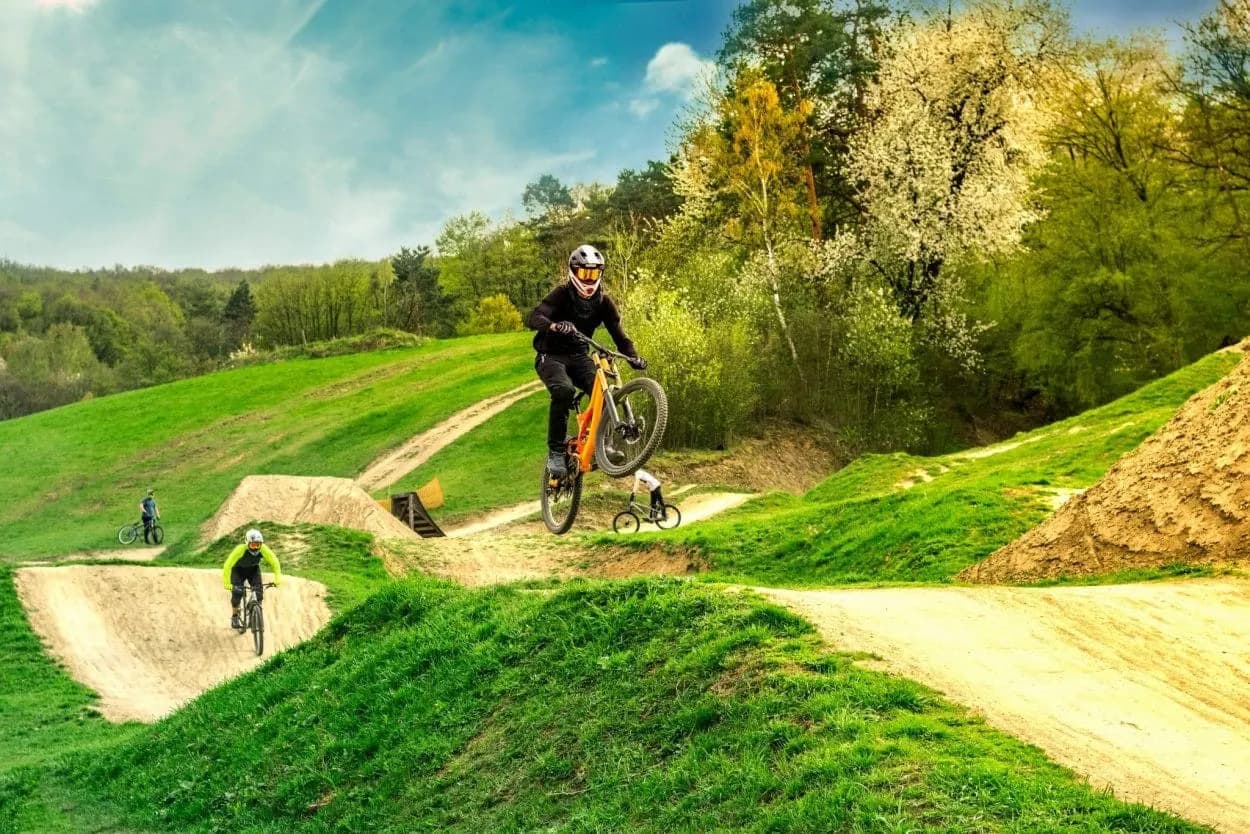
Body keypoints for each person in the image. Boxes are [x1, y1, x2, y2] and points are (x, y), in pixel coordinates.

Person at [528, 244, 647, 478]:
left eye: (594, 273)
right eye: (584, 273)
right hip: (550, 355)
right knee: (563, 391)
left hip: (579, 356)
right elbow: (534, 317)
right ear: (574, 271)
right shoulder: (561, 294)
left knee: (605, 394)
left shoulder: (604, 303)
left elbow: (619, 335)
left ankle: (604, 444)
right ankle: (556, 452)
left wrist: (633, 356)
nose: (589, 278)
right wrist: (553, 325)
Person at [221, 528, 282, 629]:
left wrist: (277, 579)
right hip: (238, 571)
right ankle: (235, 616)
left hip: (253, 570)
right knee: (237, 595)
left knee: (259, 595)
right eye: (253, 544)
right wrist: (227, 584)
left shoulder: (263, 549)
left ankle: (254, 610)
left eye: (258, 544)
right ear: (247, 543)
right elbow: (227, 565)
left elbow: (274, 561)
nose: (256, 547)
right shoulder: (240, 549)